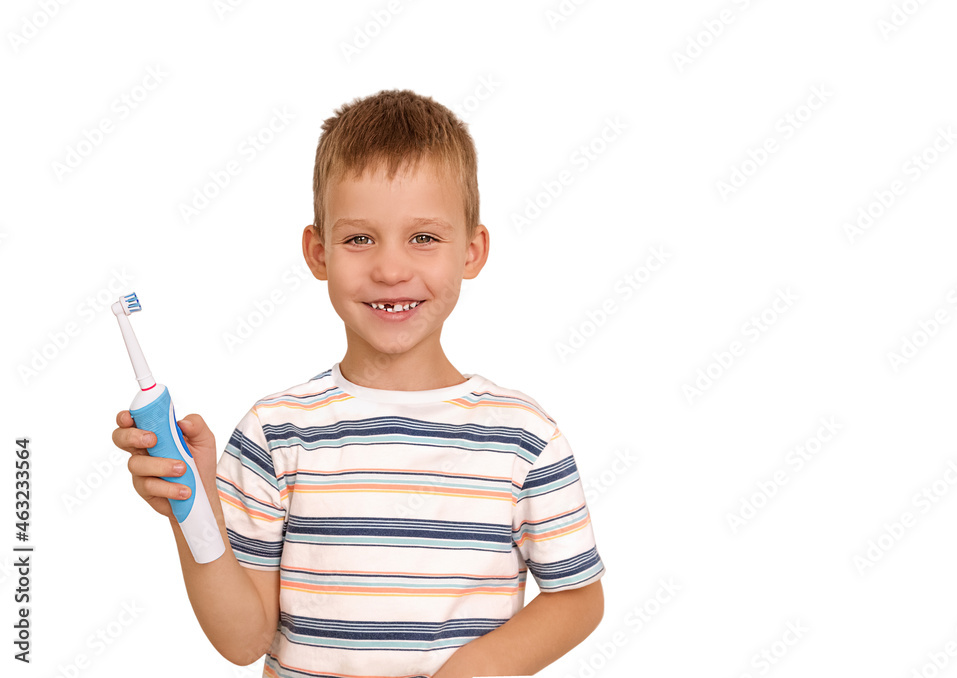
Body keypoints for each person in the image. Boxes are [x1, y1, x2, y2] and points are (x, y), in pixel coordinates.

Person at [112, 88, 606, 678]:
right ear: (318, 252)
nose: (391, 269)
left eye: (424, 238)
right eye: (359, 239)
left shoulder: (524, 437)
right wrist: (192, 512)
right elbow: (243, 641)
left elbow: (578, 599)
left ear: (472, 251)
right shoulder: (274, 433)